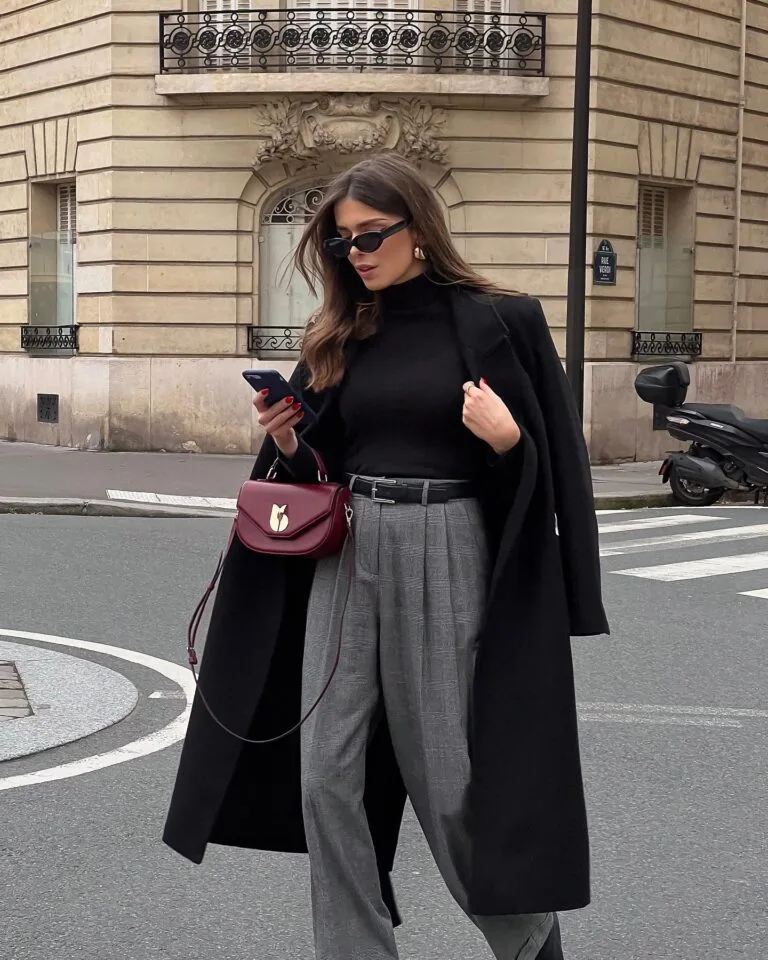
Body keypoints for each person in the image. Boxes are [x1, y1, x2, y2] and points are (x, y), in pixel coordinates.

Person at [163, 153, 609, 960]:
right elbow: (321, 471)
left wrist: (510, 443)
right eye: (341, 243)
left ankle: (529, 942)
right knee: (323, 776)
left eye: (371, 236)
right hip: (348, 552)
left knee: (450, 784)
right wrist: (292, 438)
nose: (356, 254)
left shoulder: (500, 319)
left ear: (419, 229)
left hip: (451, 548)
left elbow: (554, 469)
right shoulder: (343, 330)